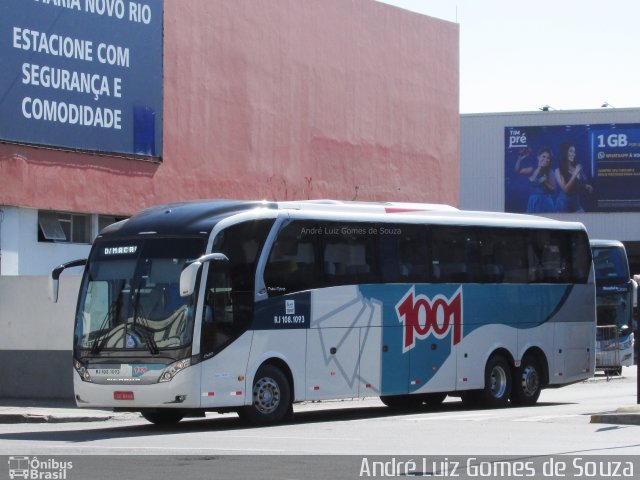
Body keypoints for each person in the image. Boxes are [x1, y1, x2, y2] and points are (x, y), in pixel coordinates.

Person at [554, 143, 593, 212]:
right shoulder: (558, 170)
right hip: (564, 202)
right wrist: (575, 173)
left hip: (576, 201)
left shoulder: (575, 167)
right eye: (571, 151)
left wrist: (585, 186)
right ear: (564, 152)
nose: (573, 154)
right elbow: (565, 189)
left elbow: (577, 183)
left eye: (574, 152)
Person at [526, 147, 556, 213]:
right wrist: (539, 167)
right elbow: (531, 181)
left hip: (545, 201)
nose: (546, 159)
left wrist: (545, 183)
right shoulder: (532, 169)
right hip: (533, 201)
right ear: (538, 157)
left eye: (548, 158)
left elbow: (553, 189)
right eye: (543, 156)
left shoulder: (550, 172)